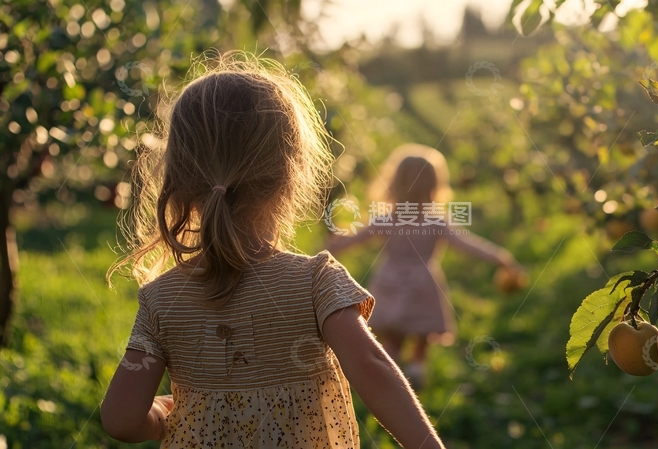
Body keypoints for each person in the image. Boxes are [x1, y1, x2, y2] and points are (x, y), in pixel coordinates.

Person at [100, 52, 445, 449]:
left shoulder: (162, 298)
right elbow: (371, 368)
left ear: (179, 174)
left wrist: (162, 414)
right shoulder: (315, 283)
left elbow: (121, 420)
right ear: (291, 175)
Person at [326, 144, 525, 388]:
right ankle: (416, 370)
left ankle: (387, 377)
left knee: (393, 336)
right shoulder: (435, 220)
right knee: (422, 334)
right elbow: (466, 243)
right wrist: (499, 256)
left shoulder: (386, 218)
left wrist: (329, 248)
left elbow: (357, 237)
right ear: (435, 185)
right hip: (423, 283)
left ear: (394, 182)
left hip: (390, 282)